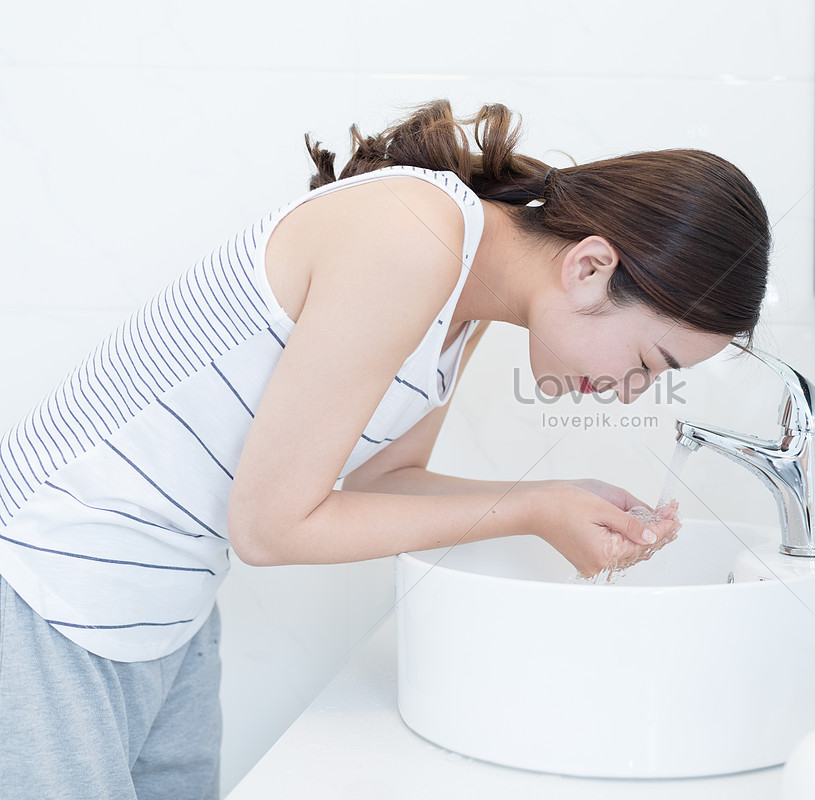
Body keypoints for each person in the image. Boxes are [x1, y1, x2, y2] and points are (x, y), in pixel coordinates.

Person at [0, 99, 770, 798]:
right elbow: (270, 528)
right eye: (647, 364)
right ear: (590, 266)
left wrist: (556, 503)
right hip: (53, 580)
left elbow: (385, 481)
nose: (633, 391)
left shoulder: (464, 297)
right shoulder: (416, 237)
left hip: (164, 601)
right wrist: (528, 508)